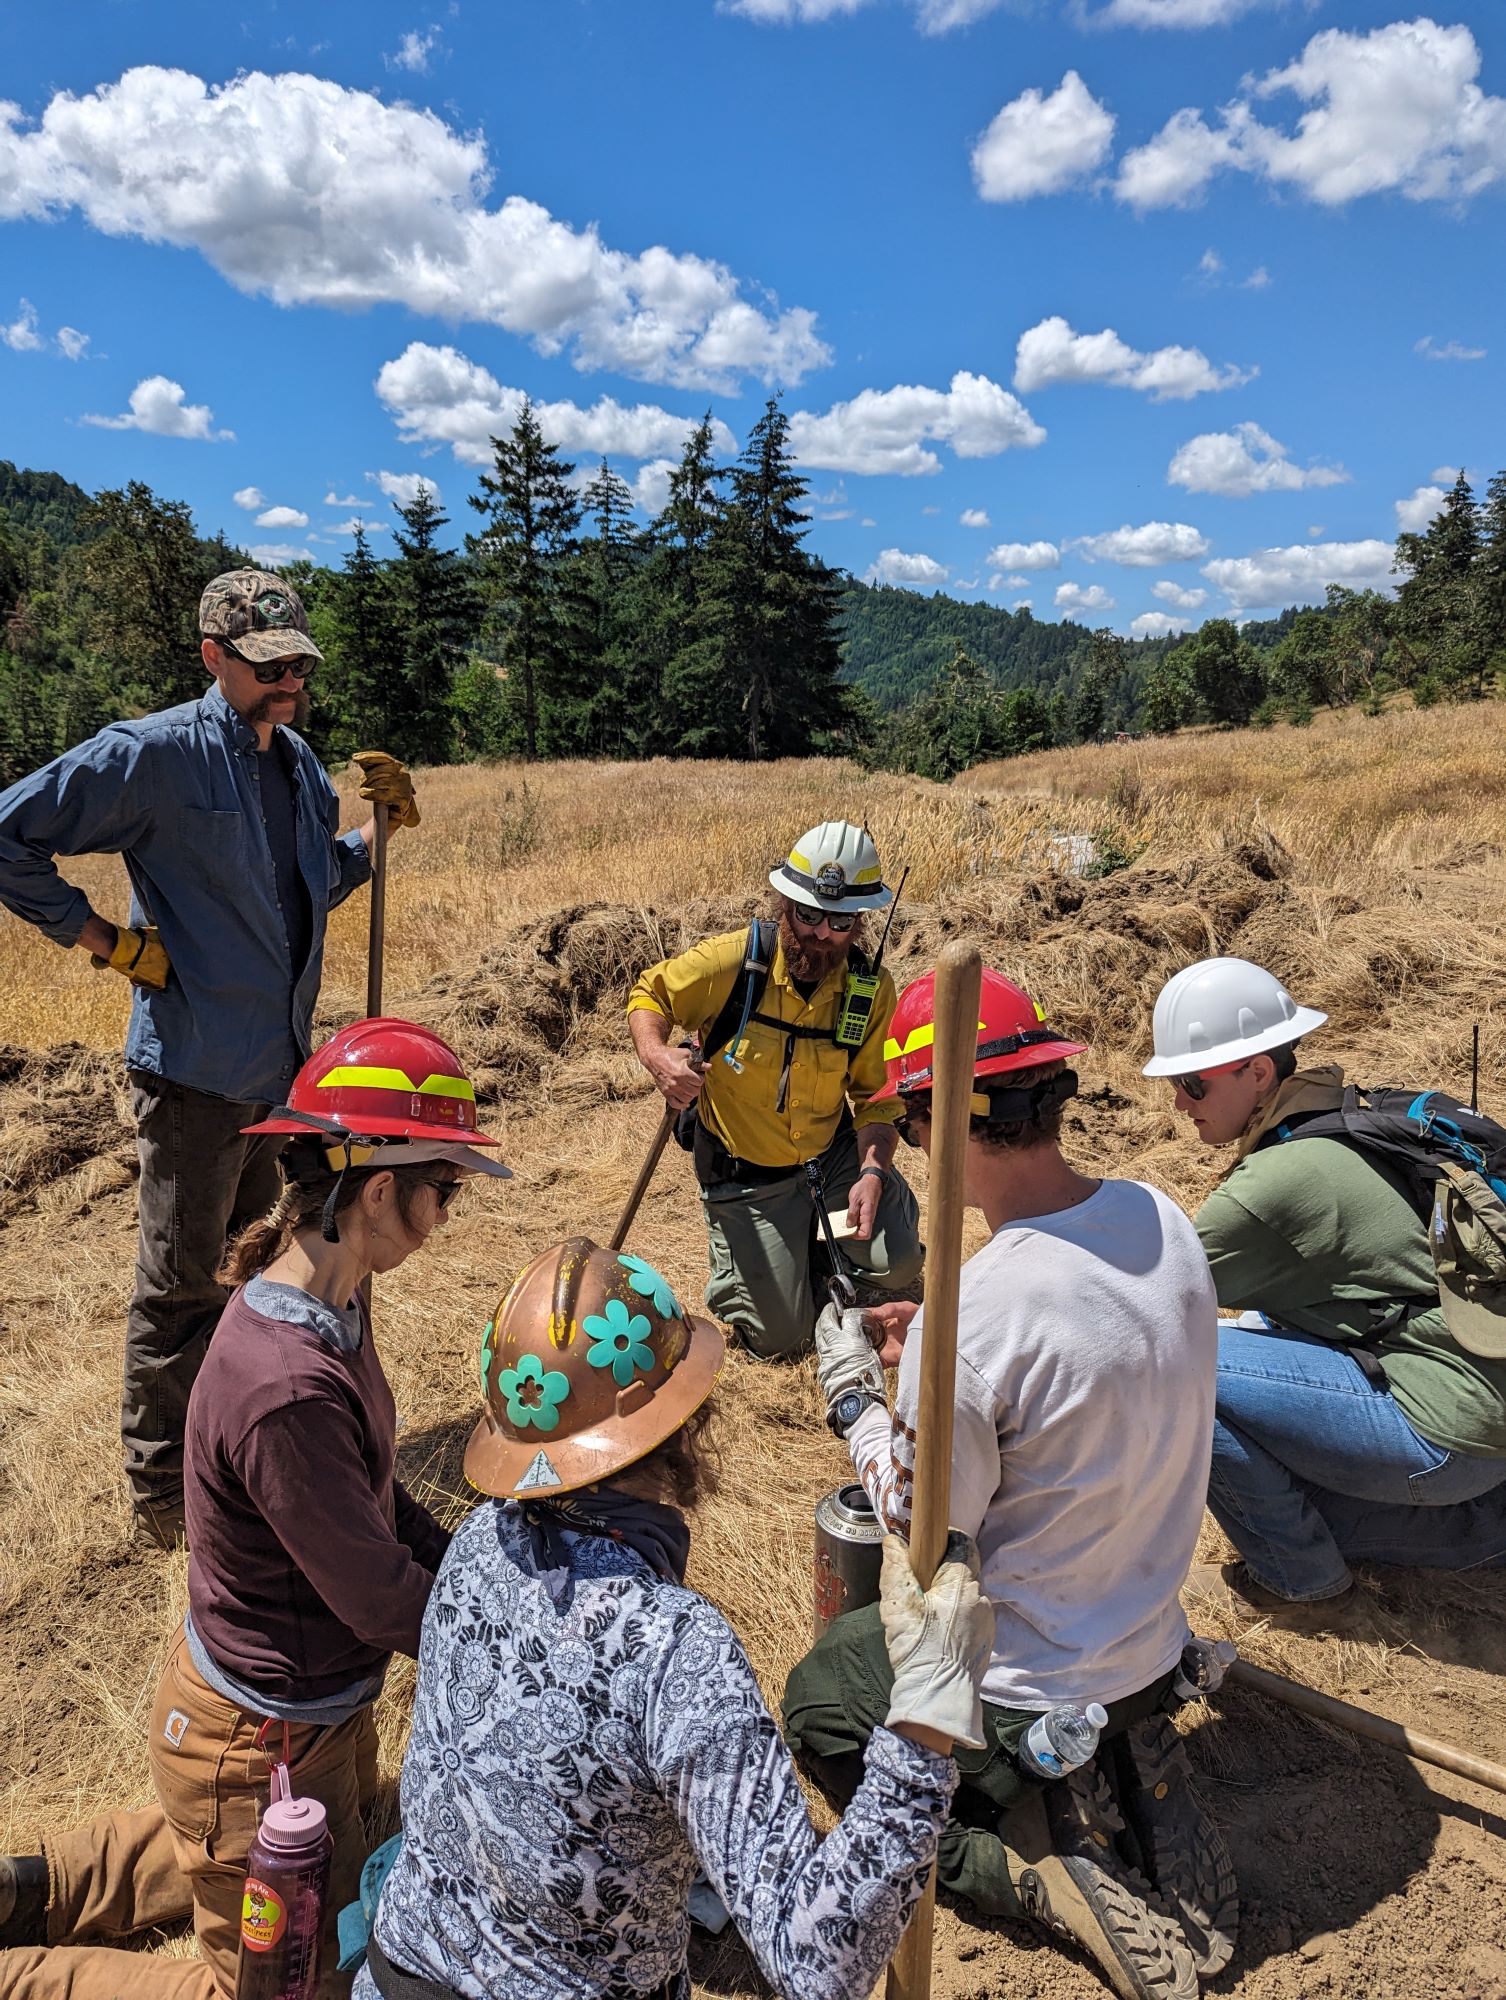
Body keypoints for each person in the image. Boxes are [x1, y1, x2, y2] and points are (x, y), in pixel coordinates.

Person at [0, 1020, 512, 2000]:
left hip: (303, 1716)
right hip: (261, 1739)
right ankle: (26, 1973)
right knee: (280, 1989)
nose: (447, 1213)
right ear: (376, 1188)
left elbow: (377, 1499)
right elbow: (373, 1595)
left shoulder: (332, 1294)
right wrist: (511, 1640)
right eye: (443, 1188)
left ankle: (39, 1885)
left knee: (294, 1839)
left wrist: (468, 1570)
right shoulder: (286, 1384)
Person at [355, 1230, 993, 2000]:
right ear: (681, 1433)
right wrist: (924, 1721)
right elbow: (818, 1964)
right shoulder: (671, 1648)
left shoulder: (477, 1550)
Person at [787, 966, 1235, 2000]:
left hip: (1031, 1676)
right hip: (1146, 1630)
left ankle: (1026, 1868)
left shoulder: (978, 1313)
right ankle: (1121, 1756)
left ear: (941, 1118)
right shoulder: (1158, 1216)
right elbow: (1066, 1364)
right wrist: (936, 1360)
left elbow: (917, 1524)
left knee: (821, 1702)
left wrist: (860, 1405)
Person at [0, 567, 421, 1545]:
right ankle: (162, 1501)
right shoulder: (152, 757)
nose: (290, 684)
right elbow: (10, 832)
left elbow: (318, 884)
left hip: (280, 1077)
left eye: (298, 666)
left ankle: (235, 1451)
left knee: (258, 1271)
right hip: (191, 1075)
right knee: (180, 1286)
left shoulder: (299, 764)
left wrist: (378, 829)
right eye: (269, 668)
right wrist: (107, 941)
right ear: (212, 657)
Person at [1146, 955, 1506, 1619]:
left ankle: (1298, 1573)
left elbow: (1140, 1311)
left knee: (1178, 1365)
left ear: (1257, 1072)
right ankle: (1471, 1525)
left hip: (1452, 1435)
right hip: (1483, 1401)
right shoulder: (1344, 1113)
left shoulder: (1274, 1185)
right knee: (1246, 1332)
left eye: (1193, 1083)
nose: (1178, 1102)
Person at [626, 819, 922, 1358]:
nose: (820, 932)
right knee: (781, 1340)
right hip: (747, 1177)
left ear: (859, 923)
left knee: (901, 1265)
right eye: (807, 913)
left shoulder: (869, 990)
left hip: (830, 1160)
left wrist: (874, 1171)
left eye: (839, 919)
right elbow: (651, 993)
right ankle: (783, 1249)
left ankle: (810, 1235)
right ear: (783, 904)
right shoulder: (735, 963)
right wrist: (657, 1054)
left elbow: (876, 1097)